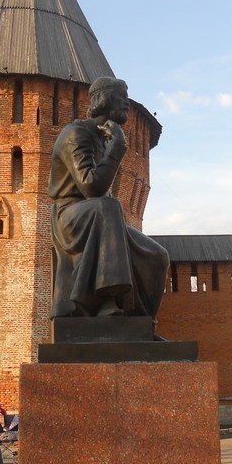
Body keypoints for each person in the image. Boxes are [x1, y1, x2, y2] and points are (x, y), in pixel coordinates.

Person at [48, 77, 169, 320]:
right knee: (108, 207)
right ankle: (107, 300)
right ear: (104, 99)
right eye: (122, 97)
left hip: (99, 218)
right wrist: (117, 150)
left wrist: (113, 146)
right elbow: (90, 187)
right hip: (70, 217)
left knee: (157, 256)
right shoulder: (76, 133)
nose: (127, 104)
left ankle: (141, 324)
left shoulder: (106, 137)